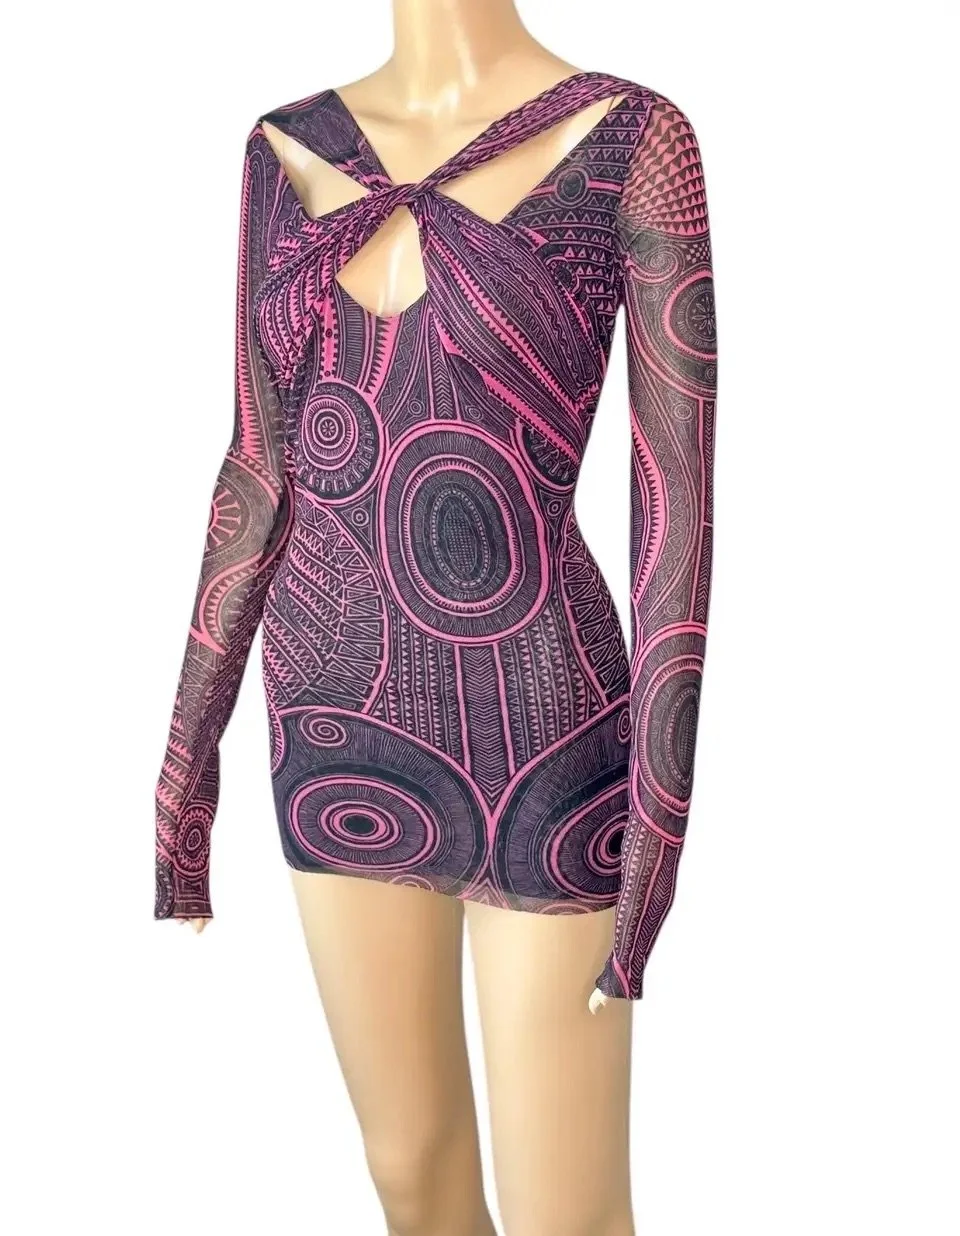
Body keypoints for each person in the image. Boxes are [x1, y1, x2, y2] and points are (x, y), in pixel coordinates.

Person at [155, 1, 717, 1231]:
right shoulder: (282, 150)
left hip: (548, 724)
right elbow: (257, 466)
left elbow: (674, 508)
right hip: (329, 718)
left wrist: (660, 836)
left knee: (566, 1213)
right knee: (410, 1169)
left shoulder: (631, 140)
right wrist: (183, 780)